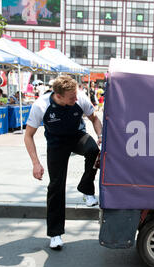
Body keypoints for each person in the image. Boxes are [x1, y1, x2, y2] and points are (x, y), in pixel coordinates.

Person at [24, 76, 103, 250]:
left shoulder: (79, 97)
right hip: (56, 143)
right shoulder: (40, 106)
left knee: (94, 151)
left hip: (76, 136)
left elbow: (94, 118)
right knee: (56, 187)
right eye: (71, 98)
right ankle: (55, 234)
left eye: (76, 96)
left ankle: (86, 189)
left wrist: (99, 136)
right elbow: (28, 136)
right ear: (58, 96)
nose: (76, 99)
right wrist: (36, 164)